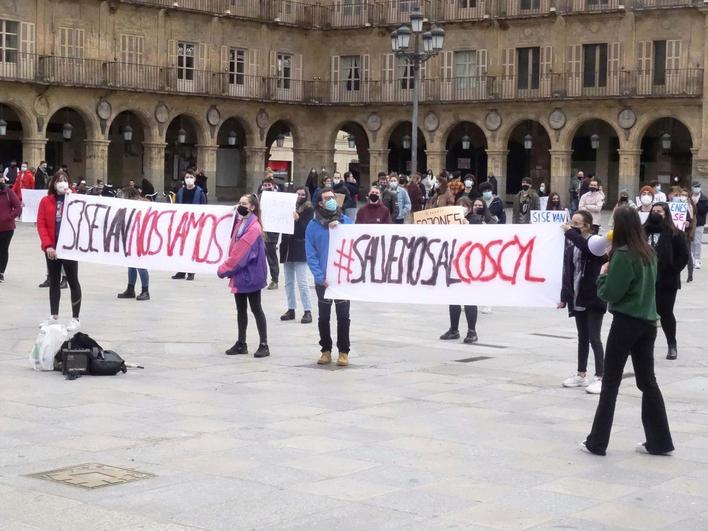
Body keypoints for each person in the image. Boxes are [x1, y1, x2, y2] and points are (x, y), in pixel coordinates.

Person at [582, 206, 674, 457]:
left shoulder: (623, 254)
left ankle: (597, 442)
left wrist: (602, 275)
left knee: (610, 381)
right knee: (648, 381)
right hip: (648, 322)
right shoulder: (649, 252)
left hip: (626, 322)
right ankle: (660, 441)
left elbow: (611, 293)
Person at [559, 211, 607, 395]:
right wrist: (565, 296)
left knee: (594, 337)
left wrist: (569, 232)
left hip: (594, 297)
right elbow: (569, 271)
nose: (572, 226)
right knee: (582, 337)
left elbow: (589, 249)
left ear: (587, 226)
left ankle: (601, 377)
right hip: (578, 296)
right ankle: (581, 374)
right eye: (572, 223)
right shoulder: (572, 246)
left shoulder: (597, 242)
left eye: (577, 224)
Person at [305, 186, 353, 367]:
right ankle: (325, 350)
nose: (330, 200)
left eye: (332, 197)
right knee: (324, 316)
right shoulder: (313, 225)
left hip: (342, 278)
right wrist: (319, 276)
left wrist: (339, 228)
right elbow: (311, 253)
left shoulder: (346, 221)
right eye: (326, 198)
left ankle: (343, 351)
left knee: (343, 316)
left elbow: (355, 245)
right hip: (323, 279)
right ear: (320, 202)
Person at [217, 193, 269, 358]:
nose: (240, 206)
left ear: (252, 207)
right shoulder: (241, 222)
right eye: (239, 203)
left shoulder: (254, 227)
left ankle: (264, 344)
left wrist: (224, 269)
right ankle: (241, 342)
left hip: (251, 273)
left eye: (244, 203)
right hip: (241, 274)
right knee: (241, 309)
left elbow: (241, 252)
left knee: (256, 308)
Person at [439, 196, 493, 344]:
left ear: (469, 208)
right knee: (454, 298)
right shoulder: (451, 221)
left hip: (470, 264)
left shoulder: (475, 219)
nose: (461, 208)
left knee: (469, 298)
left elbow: (480, 238)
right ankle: (453, 329)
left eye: (464, 206)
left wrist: (467, 226)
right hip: (455, 262)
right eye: (459, 205)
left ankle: (472, 331)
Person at [36, 171, 82, 331]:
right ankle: (54, 315)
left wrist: (73, 195)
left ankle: (75, 318)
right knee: (54, 280)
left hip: (70, 248)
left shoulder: (74, 199)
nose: (61, 183)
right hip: (52, 248)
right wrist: (47, 245)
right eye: (58, 180)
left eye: (64, 180)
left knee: (73, 280)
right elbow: (41, 223)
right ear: (53, 184)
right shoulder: (46, 201)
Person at [644, 202, 689, 360]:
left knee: (665, 313)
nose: (656, 213)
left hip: (666, 280)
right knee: (641, 313)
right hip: (645, 280)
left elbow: (683, 256)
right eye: (654, 211)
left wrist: (671, 270)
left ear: (666, 213)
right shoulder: (643, 231)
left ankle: (672, 344)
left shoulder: (675, 233)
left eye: (659, 211)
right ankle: (638, 344)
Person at [279, 187, 314, 324]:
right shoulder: (288, 207)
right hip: (287, 246)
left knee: (302, 281)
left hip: (299, 246)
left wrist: (298, 219)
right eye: (298, 193)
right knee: (288, 282)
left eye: (303, 194)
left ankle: (307, 310)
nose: (300, 196)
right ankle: (291, 308)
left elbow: (305, 229)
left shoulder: (308, 209)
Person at [116, 187, 150, 301]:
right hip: (131, 236)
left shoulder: (140, 204)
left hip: (140, 236)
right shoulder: (131, 204)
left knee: (140, 264)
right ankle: (130, 289)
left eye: (123, 195)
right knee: (131, 263)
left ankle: (145, 291)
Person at [172, 172, 207, 281]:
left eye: (191, 177)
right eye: (187, 177)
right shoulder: (180, 192)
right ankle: (182, 270)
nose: (189, 179)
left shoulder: (200, 192)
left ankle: (191, 271)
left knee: (192, 248)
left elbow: (205, 208)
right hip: (183, 223)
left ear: (195, 179)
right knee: (181, 247)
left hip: (195, 223)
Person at [258, 177, 281, 290]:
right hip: (260, 230)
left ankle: (275, 280)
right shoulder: (259, 197)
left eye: (269, 185)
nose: (267, 187)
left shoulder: (279, 198)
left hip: (272, 231)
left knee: (271, 256)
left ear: (273, 186)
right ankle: (261, 278)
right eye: (265, 185)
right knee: (259, 256)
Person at [0, 175, 22, 282]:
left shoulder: (9, 193)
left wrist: (8, 217)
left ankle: (1, 272)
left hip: (6, 228)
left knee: (3, 249)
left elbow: (18, 207)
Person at [690, 181, 708, 269]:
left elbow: (704, 210)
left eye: (698, 187)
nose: (696, 188)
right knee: (691, 241)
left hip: (699, 223)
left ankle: (697, 259)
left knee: (697, 241)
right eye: (695, 187)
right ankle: (692, 258)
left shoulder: (704, 198)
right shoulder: (689, 197)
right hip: (690, 223)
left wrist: (697, 203)